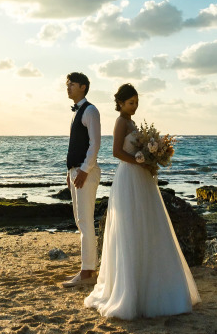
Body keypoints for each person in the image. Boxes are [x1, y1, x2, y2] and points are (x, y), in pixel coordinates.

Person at [84, 83, 200, 319]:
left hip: (141, 178)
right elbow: (116, 152)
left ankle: (153, 289)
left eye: (137, 102)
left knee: (149, 227)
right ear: (120, 103)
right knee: (130, 229)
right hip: (128, 178)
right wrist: (140, 161)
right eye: (131, 103)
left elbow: (138, 150)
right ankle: (129, 291)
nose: (135, 106)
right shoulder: (120, 122)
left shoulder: (134, 123)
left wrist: (151, 158)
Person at [61, 72, 102, 288]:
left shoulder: (91, 110)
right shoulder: (77, 112)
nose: (67, 87)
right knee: (80, 221)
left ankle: (87, 272)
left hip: (86, 172)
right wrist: (70, 172)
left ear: (83, 87)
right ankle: (88, 267)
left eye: (72, 84)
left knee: (85, 221)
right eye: (67, 84)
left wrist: (85, 170)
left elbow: (95, 144)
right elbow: (76, 145)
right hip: (76, 172)